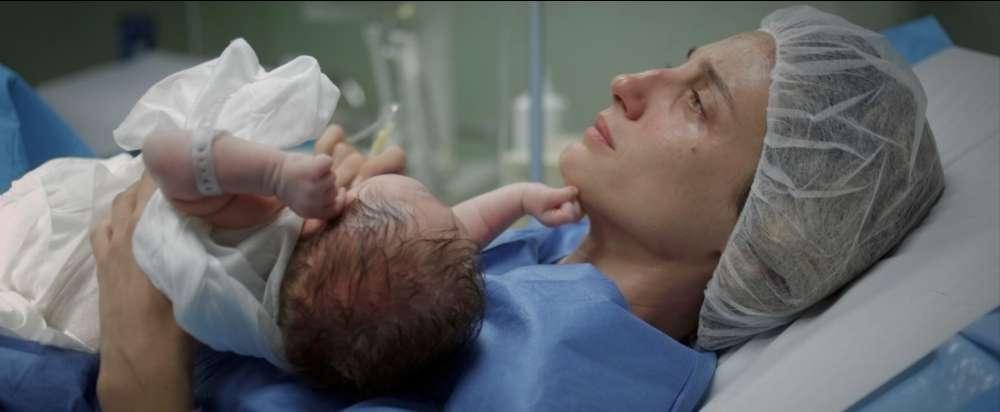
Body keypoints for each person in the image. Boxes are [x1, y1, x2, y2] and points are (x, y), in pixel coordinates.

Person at [94, 4, 945, 407]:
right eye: (678, 63)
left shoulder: (573, 376)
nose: (631, 81)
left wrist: (141, 343)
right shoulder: (549, 247)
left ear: (772, 229)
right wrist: (317, 230)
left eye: (697, 102)